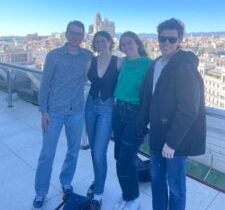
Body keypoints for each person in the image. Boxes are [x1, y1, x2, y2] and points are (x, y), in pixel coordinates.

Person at [139, 18, 206, 210]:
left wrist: (172, 142)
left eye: (171, 39)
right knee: (157, 180)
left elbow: (189, 108)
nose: (166, 43)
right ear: (157, 39)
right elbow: (149, 97)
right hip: (156, 134)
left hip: (174, 141)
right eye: (162, 38)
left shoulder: (184, 66)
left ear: (180, 40)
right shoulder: (156, 64)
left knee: (176, 187)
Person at [33, 20, 92, 209]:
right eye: (72, 33)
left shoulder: (87, 56)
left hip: (76, 112)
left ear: (83, 36)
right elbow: (45, 85)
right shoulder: (53, 55)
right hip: (55, 112)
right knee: (46, 154)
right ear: (66, 34)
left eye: (79, 33)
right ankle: (41, 192)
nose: (75, 36)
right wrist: (43, 112)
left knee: (73, 151)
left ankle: (66, 181)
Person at [112, 31, 153, 210]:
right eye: (124, 44)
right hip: (117, 110)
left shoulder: (148, 63)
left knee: (125, 159)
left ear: (137, 43)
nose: (127, 46)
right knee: (119, 156)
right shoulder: (123, 62)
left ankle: (134, 197)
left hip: (135, 114)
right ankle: (127, 193)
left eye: (130, 43)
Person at [85, 30, 123, 210]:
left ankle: (98, 193)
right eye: (97, 41)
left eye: (103, 41)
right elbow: (75, 79)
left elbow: (131, 80)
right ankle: (97, 179)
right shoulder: (90, 61)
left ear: (110, 42)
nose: (100, 44)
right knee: (93, 149)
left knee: (99, 152)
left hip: (107, 108)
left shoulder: (119, 61)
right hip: (90, 106)